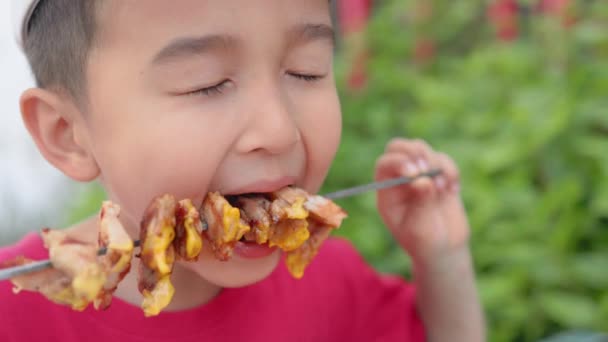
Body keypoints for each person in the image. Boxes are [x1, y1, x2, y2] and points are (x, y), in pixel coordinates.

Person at [0, 1, 485, 341]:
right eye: (207, 84)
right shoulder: (12, 311)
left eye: (307, 71)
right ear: (68, 132)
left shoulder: (330, 287)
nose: (279, 131)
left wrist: (442, 258)